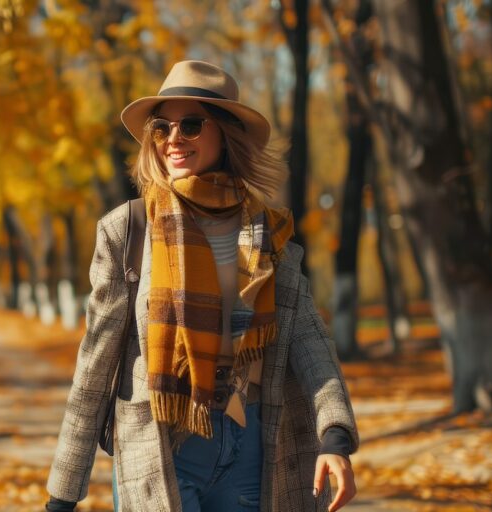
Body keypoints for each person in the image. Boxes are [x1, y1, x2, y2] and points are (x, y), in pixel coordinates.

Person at [45, 60, 358, 512]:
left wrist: (335, 435)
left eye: (191, 125)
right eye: (162, 127)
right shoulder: (129, 229)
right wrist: (62, 494)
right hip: (161, 448)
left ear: (226, 134)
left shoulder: (271, 235)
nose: (173, 139)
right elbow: (95, 363)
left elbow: (310, 341)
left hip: (251, 446)